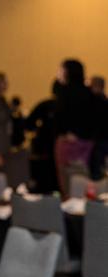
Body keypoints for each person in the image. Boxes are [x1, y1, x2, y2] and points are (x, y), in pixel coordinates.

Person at [53, 59, 96, 196]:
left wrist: (70, 133)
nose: (58, 73)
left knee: (68, 184)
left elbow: (59, 117)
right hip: (85, 143)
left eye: (61, 70)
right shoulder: (88, 92)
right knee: (81, 182)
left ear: (67, 72)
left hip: (69, 144)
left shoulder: (64, 92)